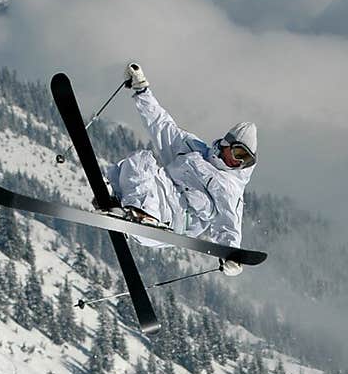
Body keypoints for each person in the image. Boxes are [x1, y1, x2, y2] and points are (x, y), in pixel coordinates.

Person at [105, 62, 257, 274]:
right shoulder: (192, 148)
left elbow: (229, 224)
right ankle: (119, 203)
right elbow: (161, 124)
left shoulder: (230, 187)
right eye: (239, 154)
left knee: (142, 169)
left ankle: (144, 217)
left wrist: (231, 257)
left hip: (176, 222)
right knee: (139, 160)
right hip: (159, 196)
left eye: (246, 160)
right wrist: (141, 90)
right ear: (226, 145)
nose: (239, 162)